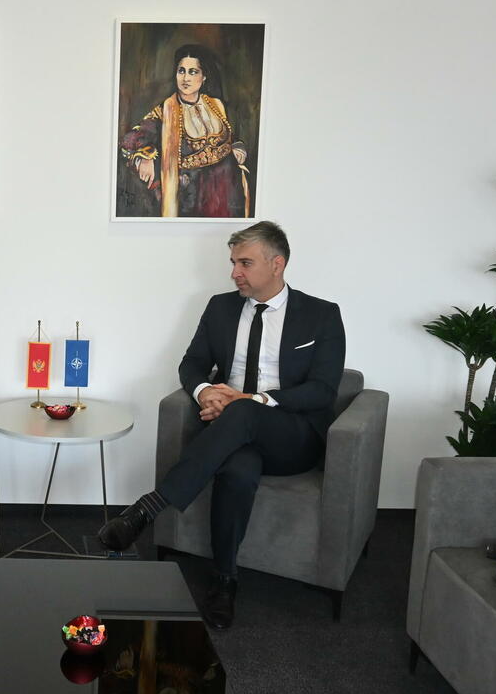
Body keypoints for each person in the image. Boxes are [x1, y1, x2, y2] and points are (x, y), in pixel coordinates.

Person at [97, 221, 345, 629]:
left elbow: (323, 390)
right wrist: (205, 393)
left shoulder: (321, 315)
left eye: (245, 263)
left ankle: (149, 507)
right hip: (233, 434)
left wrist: (250, 401)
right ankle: (225, 581)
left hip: (293, 436)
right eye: (233, 263)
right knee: (239, 467)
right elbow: (192, 363)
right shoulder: (221, 308)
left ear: (277, 264)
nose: (234, 273)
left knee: (244, 412)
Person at [119, 43, 251, 218]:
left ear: (204, 76)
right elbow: (130, 140)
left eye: (193, 72)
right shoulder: (166, 110)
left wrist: (236, 147)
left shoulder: (216, 105)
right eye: (181, 71)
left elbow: (228, 138)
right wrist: (143, 159)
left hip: (228, 189)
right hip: (193, 196)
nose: (185, 78)